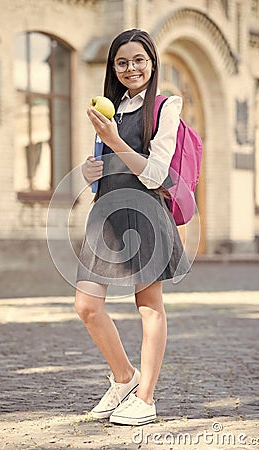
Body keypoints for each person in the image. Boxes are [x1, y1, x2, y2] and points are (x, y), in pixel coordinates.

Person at [74, 29, 190, 426]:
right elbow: (109, 168)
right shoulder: (109, 107)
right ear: (113, 68)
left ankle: (145, 398)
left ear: (152, 62)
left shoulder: (165, 105)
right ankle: (125, 378)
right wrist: (90, 172)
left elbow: (156, 173)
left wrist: (114, 142)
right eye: (121, 62)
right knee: (87, 306)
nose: (131, 68)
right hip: (106, 212)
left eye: (139, 59)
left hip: (145, 211)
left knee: (148, 306)